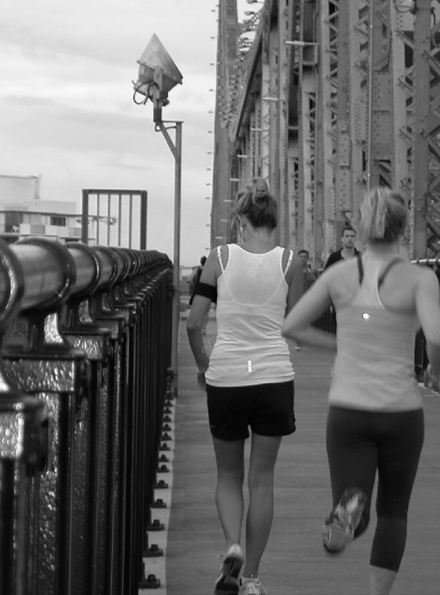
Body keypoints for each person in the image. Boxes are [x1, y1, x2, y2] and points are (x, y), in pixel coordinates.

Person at [282, 187, 440, 595]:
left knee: (356, 500)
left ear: (359, 226)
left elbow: (291, 326)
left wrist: (341, 344)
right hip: (401, 411)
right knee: (393, 511)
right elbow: (438, 337)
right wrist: (436, 369)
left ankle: (349, 509)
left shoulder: (340, 275)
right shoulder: (420, 278)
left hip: (349, 409)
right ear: (403, 227)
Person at [186, 177, 304, 595]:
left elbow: (194, 323)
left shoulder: (218, 258)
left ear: (240, 220)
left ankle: (232, 545)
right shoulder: (291, 262)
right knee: (262, 480)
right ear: (275, 220)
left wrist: (204, 366)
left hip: (228, 376)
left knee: (228, 475)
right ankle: (251, 577)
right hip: (273, 377)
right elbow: (296, 324)